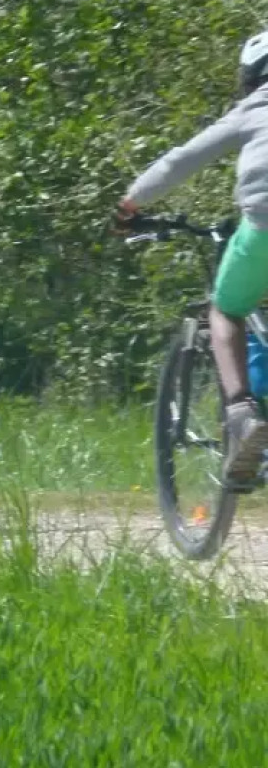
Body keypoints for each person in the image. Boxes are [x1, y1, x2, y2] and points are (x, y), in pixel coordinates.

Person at [117, 29, 268, 489]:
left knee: (226, 309)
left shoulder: (254, 108)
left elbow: (180, 162)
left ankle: (241, 413)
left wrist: (131, 204)